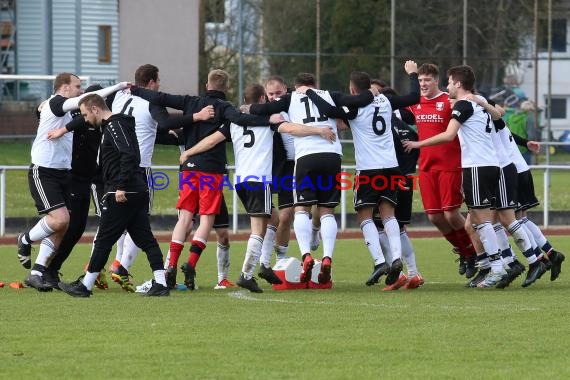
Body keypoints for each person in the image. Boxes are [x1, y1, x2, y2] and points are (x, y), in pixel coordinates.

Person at [129, 69, 283, 291]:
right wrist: (268, 119)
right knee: (207, 220)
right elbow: (240, 119)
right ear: (227, 88)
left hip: (188, 169)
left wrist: (136, 90)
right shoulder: (226, 108)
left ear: (205, 84)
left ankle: (170, 266)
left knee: (184, 218)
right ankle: (191, 264)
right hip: (211, 170)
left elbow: (161, 98)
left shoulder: (190, 101)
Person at [180, 83, 337, 292]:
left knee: (273, 218)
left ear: (245, 101)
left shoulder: (233, 122)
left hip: (241, 181)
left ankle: (264, 264)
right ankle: (247, 274)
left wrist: (189, 152)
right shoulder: (268, 120)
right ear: (263, 99)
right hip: (259, 180)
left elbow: (211, 141)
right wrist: (318, 131)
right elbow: (290, 129)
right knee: (258, 229)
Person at [246, 72, 376, 284]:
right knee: (325, 211)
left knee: (301, 210)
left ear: (292, 88)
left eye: (278, 93)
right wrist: (371, 93)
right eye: (271, 94)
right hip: (331, 156)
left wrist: (246, 109)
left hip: (305, 158)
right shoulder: (329, 95)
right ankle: (326, 257)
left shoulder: (289, 100)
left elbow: (261, 109)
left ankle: (306, 255)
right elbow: (355, 103)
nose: (274, 97)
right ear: (314, 85)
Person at [300, 62, 420, 287]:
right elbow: (414, 97)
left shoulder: (353, 107)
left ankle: (379, 262)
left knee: (365, 217)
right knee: (388, 216)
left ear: (353, 90)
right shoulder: (386, 100)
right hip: (392, 166)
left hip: (369, 168)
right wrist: (413, 73)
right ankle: (395, 258)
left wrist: (309, 92)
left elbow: (328, 110)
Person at [16, 73, 128, 291]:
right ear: (66, 88)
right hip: (51, 172)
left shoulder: (86, 116)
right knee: (64, 222)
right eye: (78, 87)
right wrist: (121, 85)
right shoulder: (62, 105)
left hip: (72, 175)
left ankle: (40, 271)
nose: (80, 90)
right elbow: (54, 111)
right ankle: (27, 241)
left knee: (70, 226)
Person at [403, 65, 508, 288]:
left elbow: (450, 134)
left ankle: (497, 266)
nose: (447, 86)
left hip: (469, 165)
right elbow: (499, 115)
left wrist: (418, 144)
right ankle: (489, 262)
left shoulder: (459, 103)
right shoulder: (473, 101)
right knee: (471, 220)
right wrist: (485, 103)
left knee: (477, 220)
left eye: (449, 82)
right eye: (419, 80)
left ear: (455, 83)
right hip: (477, 165)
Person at [58, 94, 169, 297]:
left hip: (125, 192)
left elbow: (129, 155)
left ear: (95, 109)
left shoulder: (115, 125)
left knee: (103, 239)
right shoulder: (114, 126)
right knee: (145, 239)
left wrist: (120, 186)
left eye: (84, 114)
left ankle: (86, 286)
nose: (84, 118)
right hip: (135, 190)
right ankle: (160, 283)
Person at [406, 64, 477, 278]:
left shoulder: (449, 100)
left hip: (449, 165)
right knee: (435, 217)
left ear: (436, 80)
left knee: (451, 213)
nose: (423, 84)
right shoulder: (413, 103)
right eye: (420, 81)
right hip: (426, 167)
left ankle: (473, 252)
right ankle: (464, 252)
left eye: (427, 80)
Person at [374, 86, 424, 291]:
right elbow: (416, 149)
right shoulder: (406, 128)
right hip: (407, 179)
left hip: (389, 179)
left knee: (376, 226)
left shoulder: (382, 126)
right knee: (400, 228)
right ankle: (413, 273)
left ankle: (400, 274)